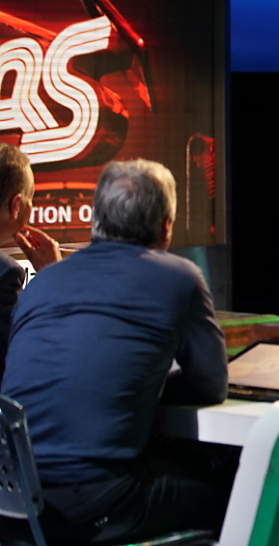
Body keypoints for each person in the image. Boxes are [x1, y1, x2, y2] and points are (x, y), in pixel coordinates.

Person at [1, 160, 230, 544]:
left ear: (96, 221)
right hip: (88, 507)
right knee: (233, 491)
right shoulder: (179, 277)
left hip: (14, 507)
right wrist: (145, 386)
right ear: (166, 226)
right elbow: (211, 385)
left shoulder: (42, 281)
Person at [0, 143, 61, 383]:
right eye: (30, 199)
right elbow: (30, 355)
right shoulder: (6, 274)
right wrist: (53, 277)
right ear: (16, 205)